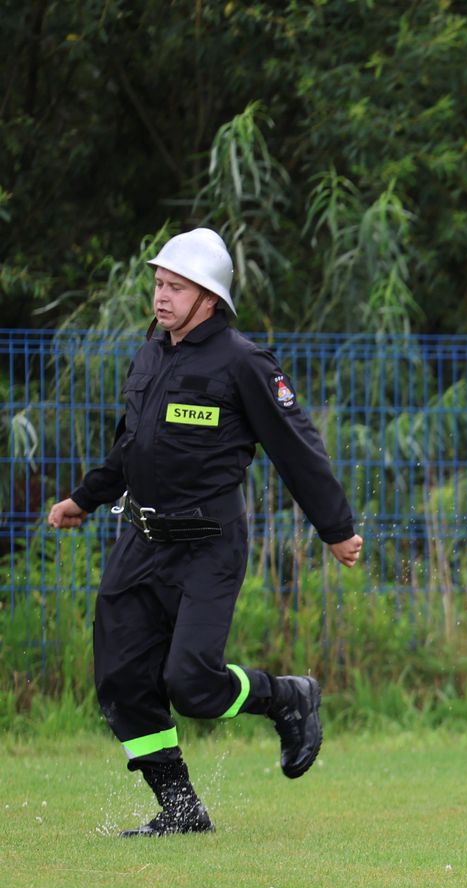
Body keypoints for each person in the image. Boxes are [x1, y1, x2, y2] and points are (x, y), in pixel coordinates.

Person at [44, 226, 363, 836]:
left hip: (207, 548)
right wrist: (85, 498)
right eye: (159, 284)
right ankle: (180, 809)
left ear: (209, 298)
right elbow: (130, 447)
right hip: (139, 543)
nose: (161, 297)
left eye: (176, 287)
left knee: (191, 684)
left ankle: (285, 697)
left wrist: (336, 528)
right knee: (121, 682)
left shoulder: (244, 362)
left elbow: (296, 447)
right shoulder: (149, 354)